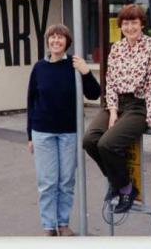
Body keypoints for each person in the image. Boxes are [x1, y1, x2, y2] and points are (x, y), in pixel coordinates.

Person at [83, 4, 151, 214]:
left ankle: (127, 188)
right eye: (126, 23)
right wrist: (111, 111)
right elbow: (110, 82)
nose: (130, 27)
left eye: (134, 22)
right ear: (120, 26)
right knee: (90, 140)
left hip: (138, 106)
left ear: (142, 24)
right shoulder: (117, 48)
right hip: (116, 104)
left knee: (107, 144)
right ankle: (116, 181)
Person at [27, 23, 101, 237]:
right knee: (47, 182)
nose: (56, 41)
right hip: (42, 132)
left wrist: (86, 72)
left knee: (66, 180)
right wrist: (29, 135)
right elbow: (31, 101)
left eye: (60, 38)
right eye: (52, 37)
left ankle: (63, 223)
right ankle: (49, 226)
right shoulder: (39, 68)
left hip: (69, 132)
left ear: (67, 42)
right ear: (48, 41)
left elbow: (95, 94)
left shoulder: (74, 66)